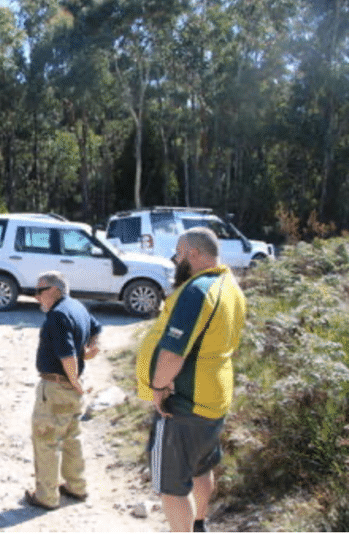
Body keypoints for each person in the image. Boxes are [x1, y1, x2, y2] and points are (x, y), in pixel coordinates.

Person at [135, 227, 246, 532]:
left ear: (193, 254)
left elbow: (173, 353)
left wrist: (158, 387)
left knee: (172, 488)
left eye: (179, 253)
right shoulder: (231, 286)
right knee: (201, 466)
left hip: (184, 401)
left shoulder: (197, 291)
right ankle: (199, 523)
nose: (175, 259)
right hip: (214, 397)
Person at [24, 271, 102, 511]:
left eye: (40, 291)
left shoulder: (57, 315)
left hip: (58, 387)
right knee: (71, 438)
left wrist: (75, 381)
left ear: (55, 290)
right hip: (72, 389)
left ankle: (46, 496)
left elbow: (67, 355)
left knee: (46, 440)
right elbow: (96, 328)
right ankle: (77, 486)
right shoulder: (76, 307)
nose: (36, 297)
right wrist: (93, 348)